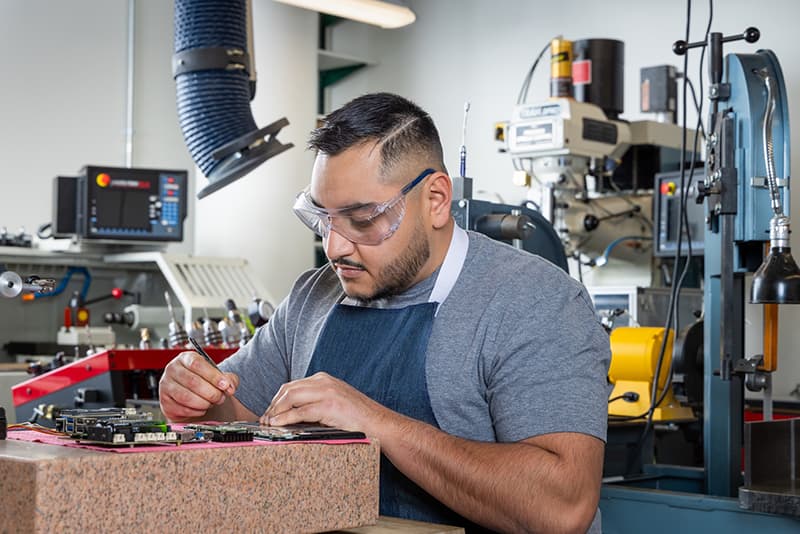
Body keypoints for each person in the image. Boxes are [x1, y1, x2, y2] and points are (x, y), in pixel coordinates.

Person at [159, 92, 611, 533]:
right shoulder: (312, 297)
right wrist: (200, 401)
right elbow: (241, 420)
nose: (334, 248)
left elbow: (562, 508)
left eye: (363, 219)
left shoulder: (534, 301)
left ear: (435, 200)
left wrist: (375, 423)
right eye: (323, 219)